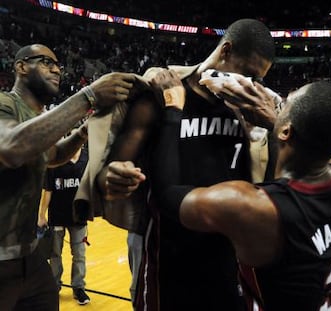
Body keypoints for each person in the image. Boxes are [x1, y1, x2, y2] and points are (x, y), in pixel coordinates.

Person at [97, 19, 276, 311]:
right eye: (247, 73)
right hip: (169, 252)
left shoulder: (250, 110)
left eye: (258, 79)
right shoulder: (161, 95)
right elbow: (112, 169)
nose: (250, 84)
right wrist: (114, 176)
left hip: (228, 254)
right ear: (226, 51)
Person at [150, 78, 331, 310]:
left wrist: (173, 111)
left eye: (284, 106)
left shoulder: (257, 207)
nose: (274, 106)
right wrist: (279, 123)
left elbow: (167, 194)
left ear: (287, 131)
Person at [0, 43, 138, 311]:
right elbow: (10, 149)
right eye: (46, 62)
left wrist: (83, 132)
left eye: (58, 66)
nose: (56, 70)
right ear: (21, 67)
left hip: (30, 255)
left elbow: (53, 156)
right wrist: (89, 96)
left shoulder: (38, 116)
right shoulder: (4, 103)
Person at [38, 142, 90, 305]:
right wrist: (41, 215)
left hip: (78, 217)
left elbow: (91, 186)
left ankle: (78, 287)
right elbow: (48, 191)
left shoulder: (87, 159)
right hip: (58, 216)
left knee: (79, 254)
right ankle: (54, 286)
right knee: (55, 254)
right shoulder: (56, 160)